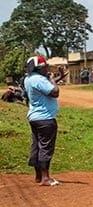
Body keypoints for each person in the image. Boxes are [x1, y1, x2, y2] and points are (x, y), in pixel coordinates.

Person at [23, 55, 61, 186]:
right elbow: (54, 92)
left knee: (36, 146)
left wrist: (56, 78)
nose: (47, 70)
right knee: (46, 146)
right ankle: (46, 178)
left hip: (34, 118)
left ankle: (38, 176)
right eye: (45, 67)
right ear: (39, 68)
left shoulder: (28, 79)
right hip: (45, 118)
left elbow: (43, 88)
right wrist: (52, 80)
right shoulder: (40, 79)